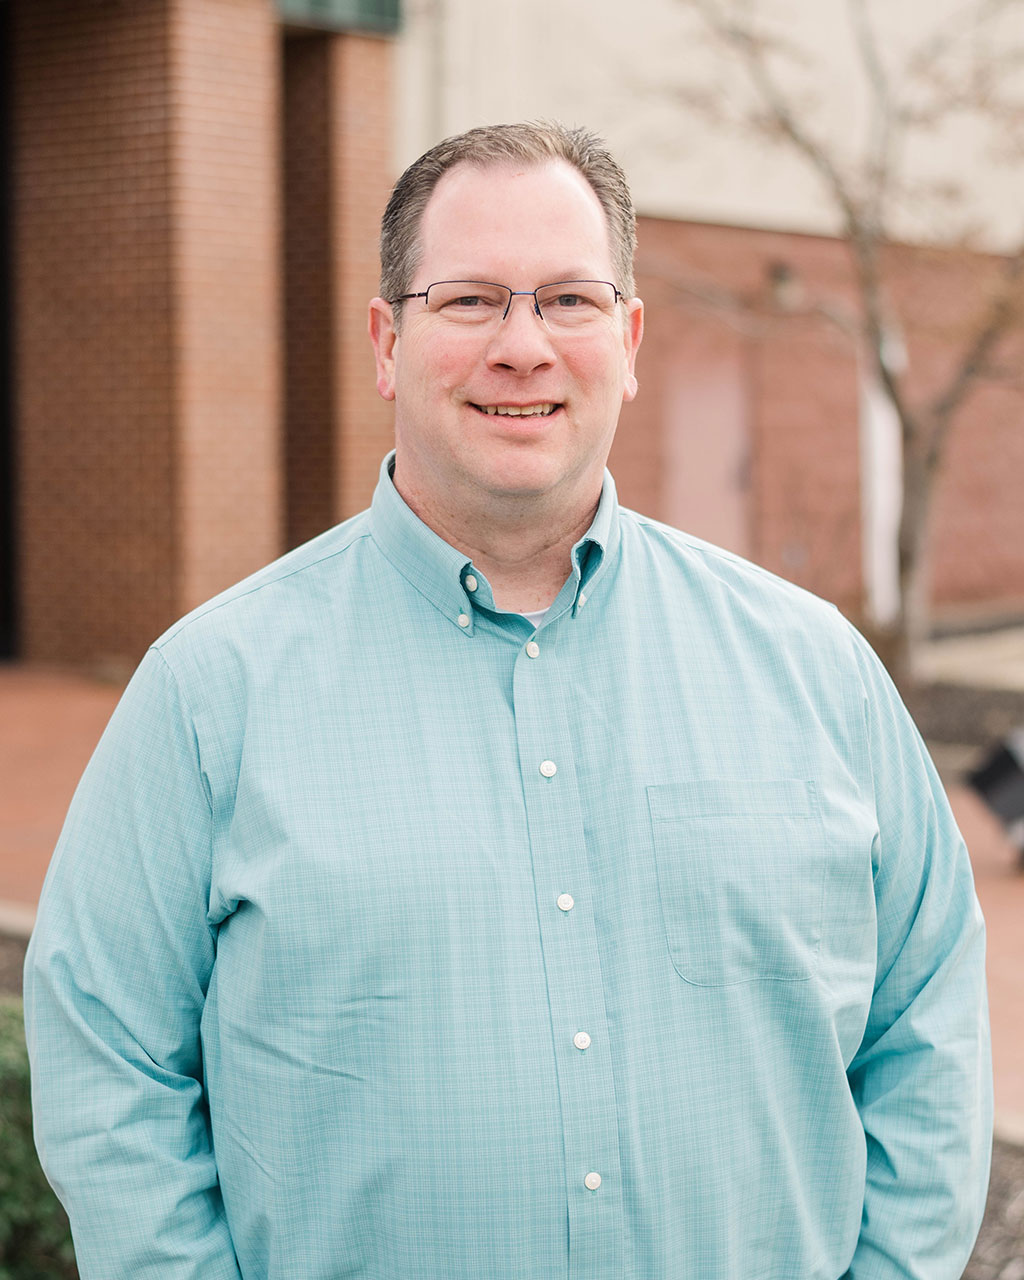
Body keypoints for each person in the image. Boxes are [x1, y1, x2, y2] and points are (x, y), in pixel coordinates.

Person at [25, 121, 991, 1280]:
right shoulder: (208, 691)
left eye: (569, 300)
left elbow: (927, 1018)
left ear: (628, 340)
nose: (523, 347)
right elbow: (107, 1054)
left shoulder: (813, 668)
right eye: (471, 300)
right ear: (388, 342)